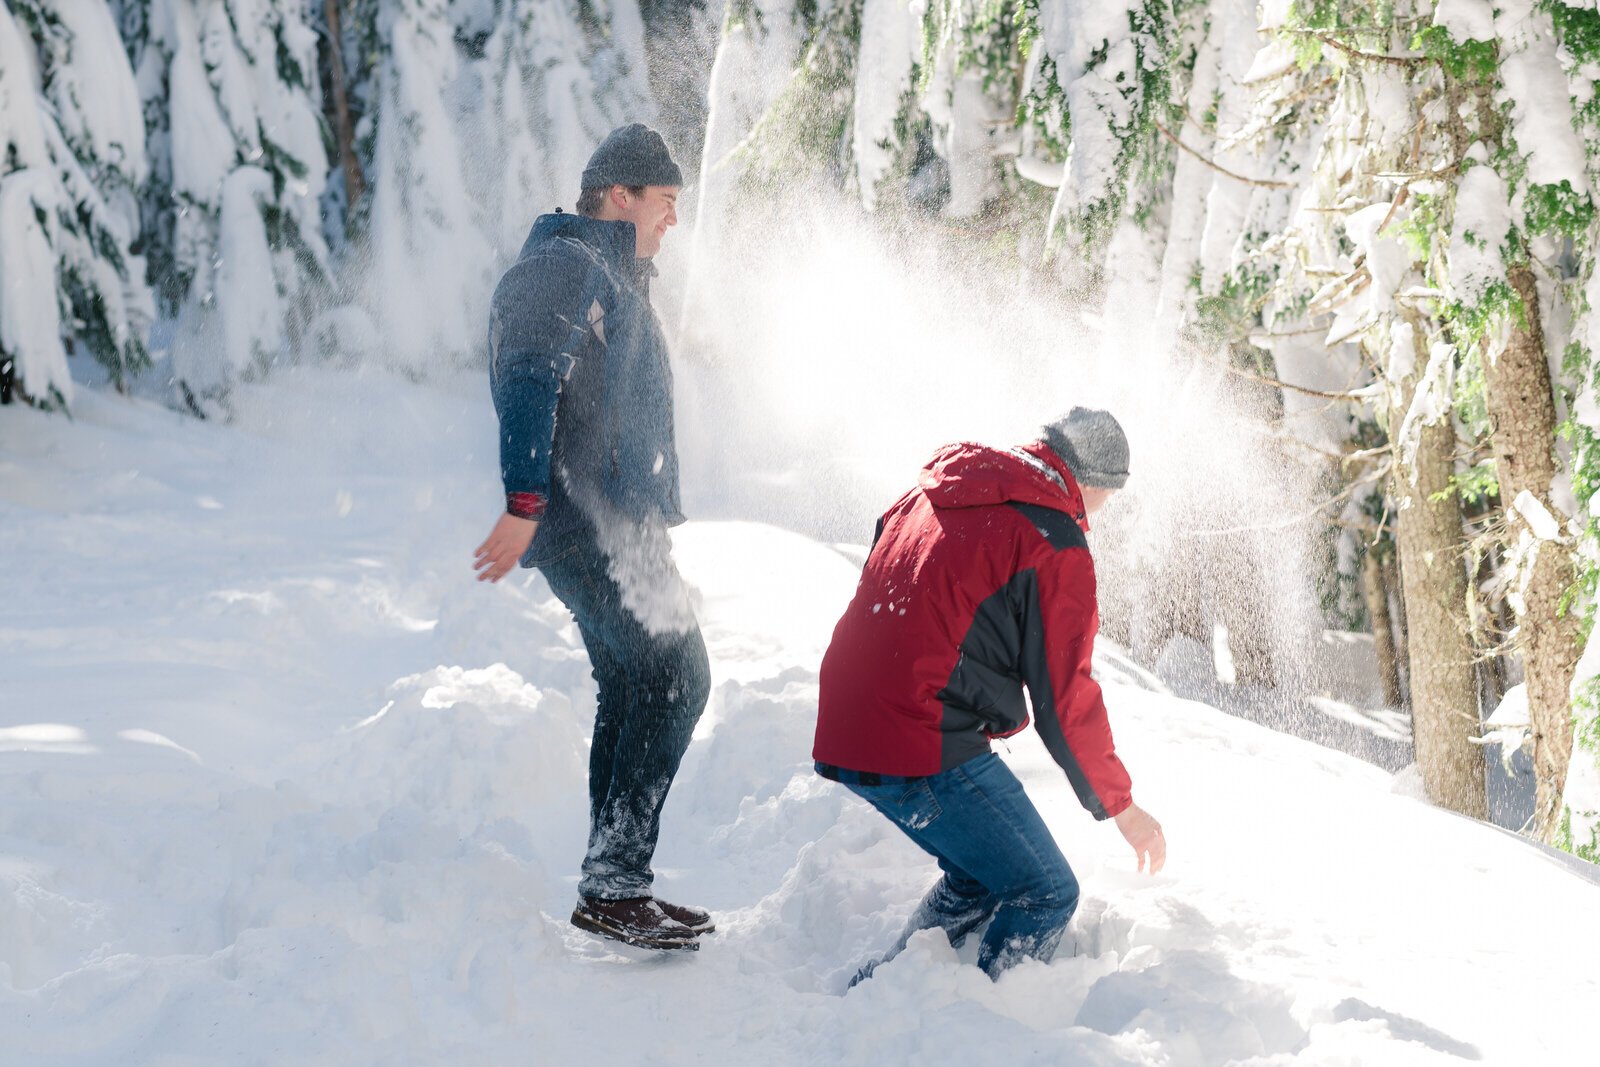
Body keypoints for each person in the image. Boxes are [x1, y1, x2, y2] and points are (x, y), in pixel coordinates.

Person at [812, 408, 1166, 981]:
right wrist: (1123, 810)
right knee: (1044, 893)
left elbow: (907, 577)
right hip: (918, 734)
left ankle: (884, 993)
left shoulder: (941, 488)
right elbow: (1066, 700)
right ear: (1096, 483)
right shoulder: (1052, 540)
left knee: (978, 876)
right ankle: (981, 1022)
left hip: (847, 718)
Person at [473, 124, 712, 951]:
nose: (674, 219)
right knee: (679, 675)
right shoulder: (567, 264)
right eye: (666, 202)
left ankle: (612, 883)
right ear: (621, 196)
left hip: (614, 521)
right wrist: (524, 501)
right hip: (591, 521)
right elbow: (531, 375)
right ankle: (615, 882)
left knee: (635, 684)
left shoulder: (611, 275)